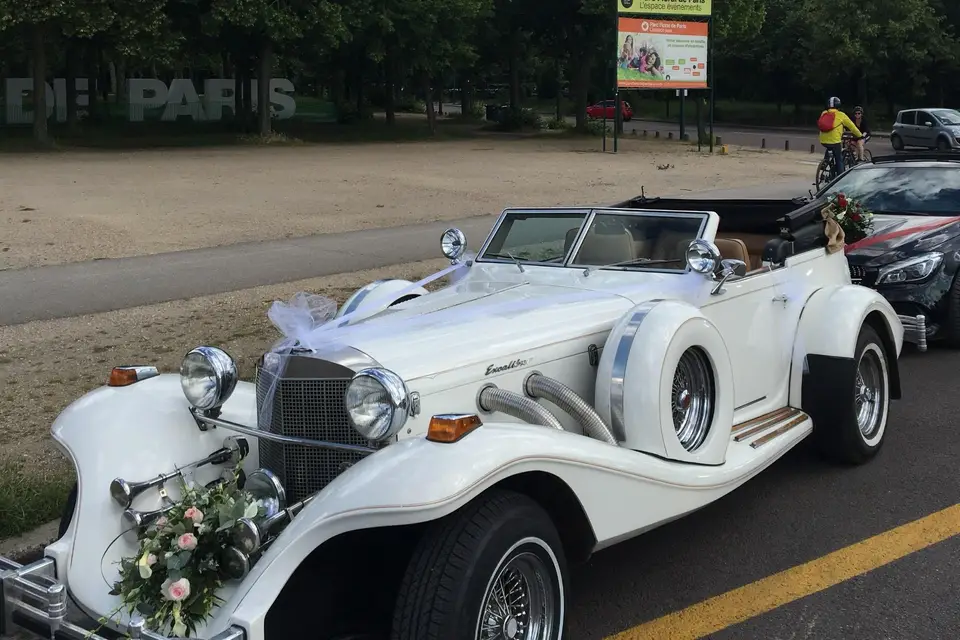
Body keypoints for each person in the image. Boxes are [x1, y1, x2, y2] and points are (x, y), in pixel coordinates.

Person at [817, 97, 862, 176]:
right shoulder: (841, 115)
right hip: (835, 141)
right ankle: (840, 177)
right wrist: (860, 135)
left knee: (829, 147)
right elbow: (852, 127)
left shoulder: (824, 113)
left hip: (823, 140)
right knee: (839, 159)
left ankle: (825, 161)